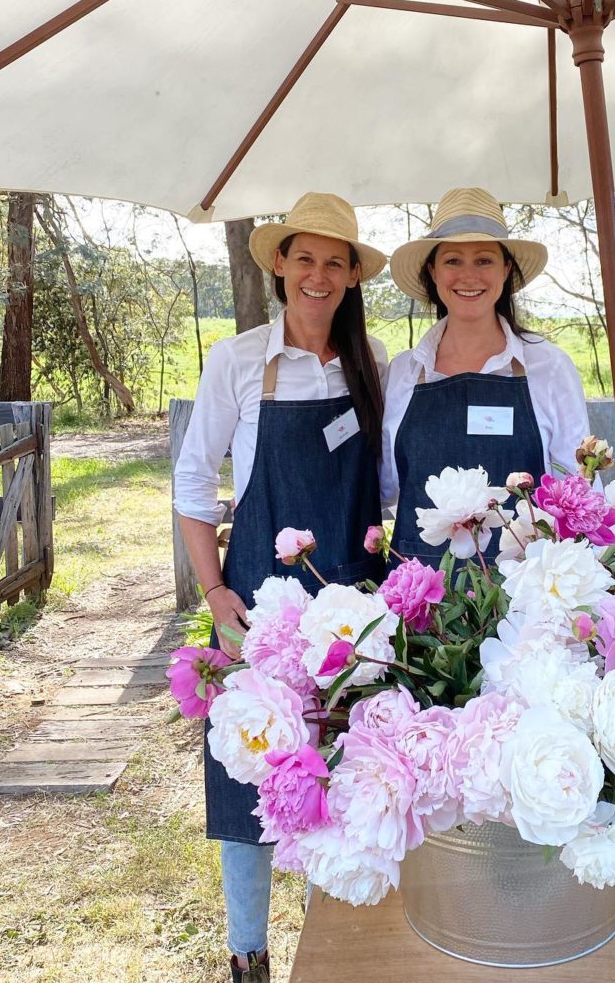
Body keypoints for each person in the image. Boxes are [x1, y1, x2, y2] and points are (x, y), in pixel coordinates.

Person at [174, 193, 387, 983]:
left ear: (353, 275)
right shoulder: (237, 361)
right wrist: (213, 591)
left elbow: (388, 485)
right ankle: (248, 956)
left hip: (353, 613)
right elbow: (193, 482)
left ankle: (344, 952)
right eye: (305, 259)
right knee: (249, 774)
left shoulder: (372, 362)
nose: (318, 275)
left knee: (350, 773)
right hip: (256, 608)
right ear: (280, 266)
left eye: (335, 262)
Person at [381, 186, 590, 564]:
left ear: (506, 269)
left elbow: (579, 492)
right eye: (453, 260)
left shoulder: (548, 367)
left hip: (523, 583)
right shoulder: (404, 372)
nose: (468, 275)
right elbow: (389, 486)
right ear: (432, 270)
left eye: (484, 260)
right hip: (419, 586)